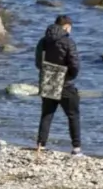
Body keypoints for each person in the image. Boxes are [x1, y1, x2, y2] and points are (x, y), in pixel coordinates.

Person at [35, 14, 82, 156]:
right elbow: (74, 64)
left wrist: (48, 73)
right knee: (73, 115)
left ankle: (40, 145)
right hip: (65, 82)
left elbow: (38, 62)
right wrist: (70, 77)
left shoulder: (43, 41)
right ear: (66, 26)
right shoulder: (68, 42)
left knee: (47, 114)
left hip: (48, 79)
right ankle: (76, 148)